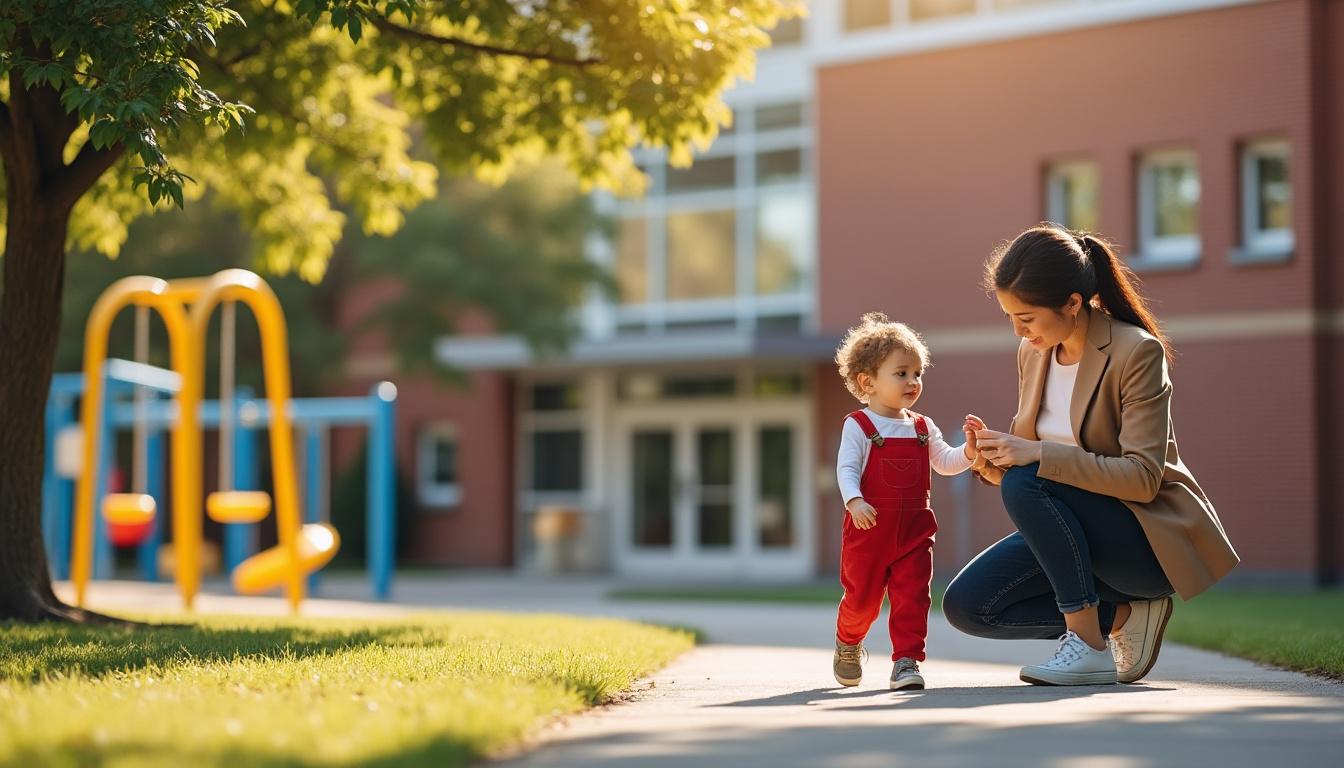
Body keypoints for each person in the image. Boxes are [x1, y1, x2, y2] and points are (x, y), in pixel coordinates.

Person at [943, 224, 1239, 686]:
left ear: (1073, 303)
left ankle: (1088, 647)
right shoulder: (1033, 352)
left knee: (1028, 477)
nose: (1018, 330)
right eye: (1010, 318)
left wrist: (1034, 455)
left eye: (1027, 317)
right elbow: (1038, 478)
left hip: (1144, 540)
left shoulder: (1136, 352)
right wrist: (992, 460)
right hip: (1074, 533)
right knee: (968, 606)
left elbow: (1142, 477)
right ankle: (1121, 619)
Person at [831, 312, 977, 690]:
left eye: (917, 373)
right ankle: (848, 642)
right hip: (869, 529)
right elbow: (846, 469)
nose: (913, 381)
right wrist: (855, 501)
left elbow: (945, 462)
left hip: (914, 530)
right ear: (868, 382)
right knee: (862, 601)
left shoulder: (923, 426)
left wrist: (971, 452)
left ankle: (906, 662)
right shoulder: (859, 426)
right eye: (901, 373)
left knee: (913, 598)